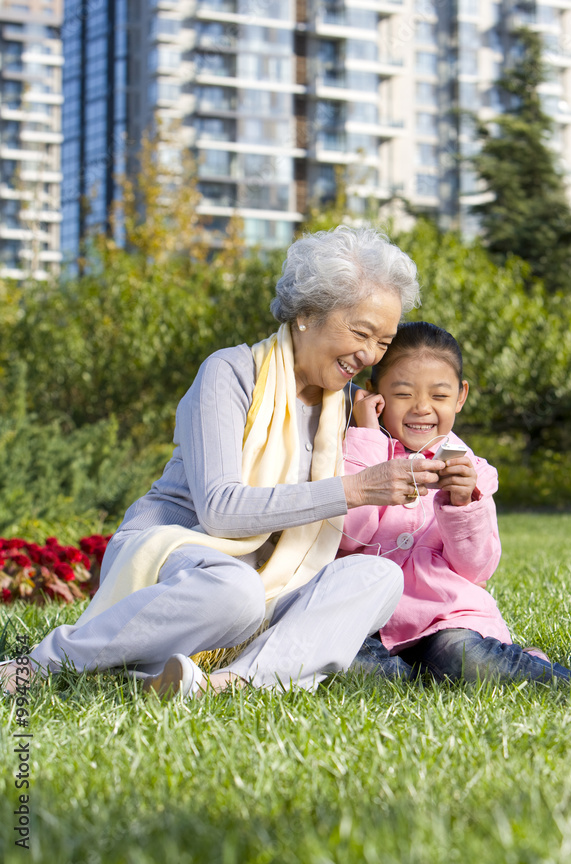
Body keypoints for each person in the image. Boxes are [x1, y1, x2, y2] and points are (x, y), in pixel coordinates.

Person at [1, 228, 448, 700]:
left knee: (377, 577)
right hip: (178, 555)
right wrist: (355, 488)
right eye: (361, 333)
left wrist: (461, 491)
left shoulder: (352, 407)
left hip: (271, 580)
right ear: (308, 313)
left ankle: (224, 684)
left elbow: (427, 430)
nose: (370, 354)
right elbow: (220, 510)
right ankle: (44, 664)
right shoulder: (230, 372)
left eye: (383, 341)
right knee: (235, 592)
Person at [339, 321, 571, 685]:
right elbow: (348, 537)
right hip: (366, 620)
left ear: (460, 396)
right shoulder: (356, 451)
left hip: (443, 619)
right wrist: (368, 438)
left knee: (464, 658)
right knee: (351, 666)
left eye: (438, 396)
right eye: (403, 394)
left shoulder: (470, 470)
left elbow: (476, 569)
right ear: (373, 393)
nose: (422, 408)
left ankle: (541, 672)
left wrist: (463, 505)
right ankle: (407, 677)